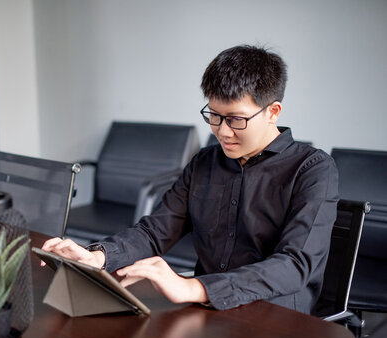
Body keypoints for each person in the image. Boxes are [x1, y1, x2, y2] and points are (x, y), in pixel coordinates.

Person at [41, 44, 339, 313]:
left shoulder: (313, 170)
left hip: (277, 317)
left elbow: (295, 265)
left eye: (236, 119)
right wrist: (99, 257)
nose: (221, 131)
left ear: (273, 111)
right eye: (214, 115)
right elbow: (155, 231)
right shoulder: (205, 163)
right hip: (207, 310)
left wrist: (194, 287)